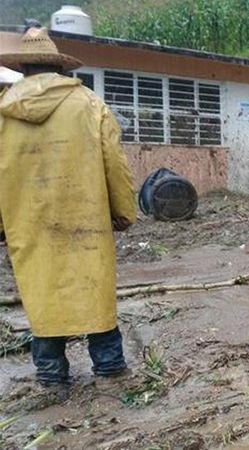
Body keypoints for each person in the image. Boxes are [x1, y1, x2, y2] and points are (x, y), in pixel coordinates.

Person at [0, 28, 137, 388]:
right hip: (85, 222)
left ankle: (51, 377)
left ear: (24, 68)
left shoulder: (3, 113)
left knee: (43, 297)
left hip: (28, 225)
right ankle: (109, 373)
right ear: (59, 67)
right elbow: (115, 164)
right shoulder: (89, 105)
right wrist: (124, 212)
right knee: (94, 295)